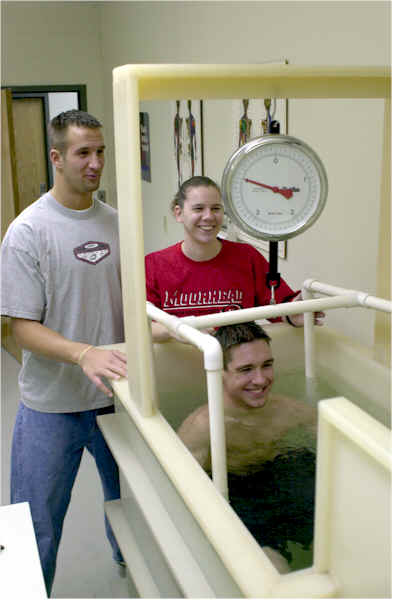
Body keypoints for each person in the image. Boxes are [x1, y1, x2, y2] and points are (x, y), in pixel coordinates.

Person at [1, 109, 127, 596]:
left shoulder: (118, 223)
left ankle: (130, 569)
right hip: (51, 405)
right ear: (57, 157)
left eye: (100, 152)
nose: (95, 163)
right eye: (83, 153)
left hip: (117, 399)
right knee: (32, 527)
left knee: (132, 507)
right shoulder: (28, 231)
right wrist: (83, 354)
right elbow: (22, 330)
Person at [178, 322, 317, 569]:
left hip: (278, 479)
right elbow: (182, 495)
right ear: (220, 372)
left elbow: (331, 439)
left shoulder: (287, 410)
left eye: (267, 365)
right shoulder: (203, 427)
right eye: (246, 369)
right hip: (235, 494)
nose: (261, 379)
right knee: (272, 569)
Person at [145, 176, 324, 342]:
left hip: (237, 369)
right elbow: (141, 328)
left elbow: (278, 305)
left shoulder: (247, 257)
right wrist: (176, 329)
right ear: (178, 213)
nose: (208, 216)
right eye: (198, 208)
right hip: (179, 366)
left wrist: (293, 314)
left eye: (216, 208)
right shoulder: (154, 265)